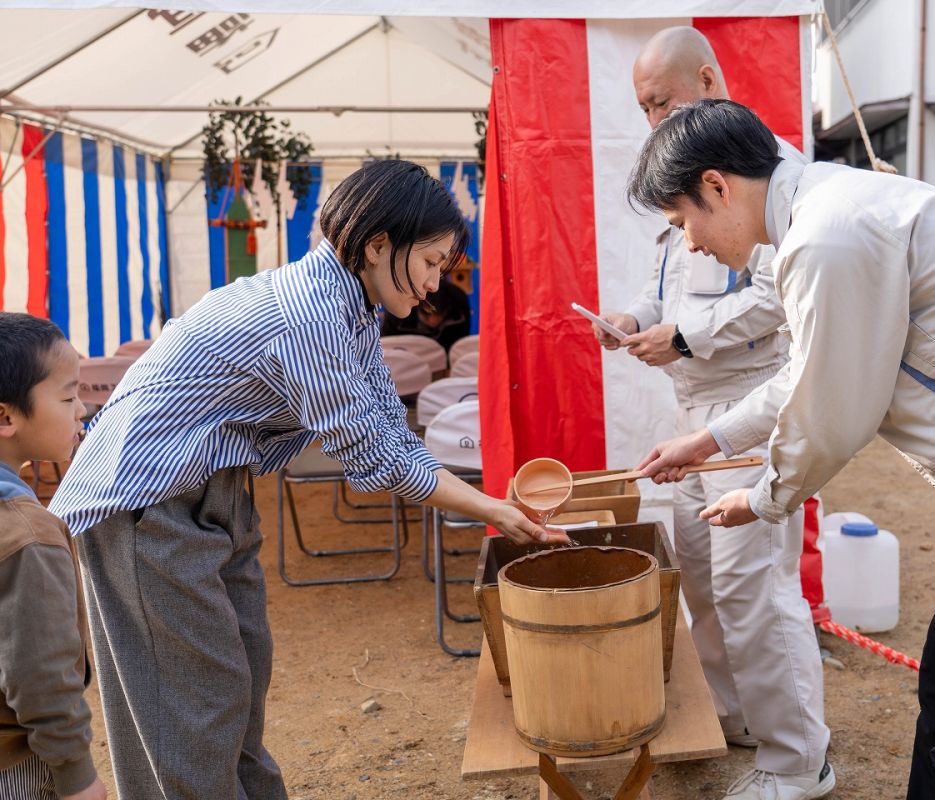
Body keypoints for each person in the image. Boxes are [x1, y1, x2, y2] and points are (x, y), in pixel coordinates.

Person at [630, 100, 935, 800]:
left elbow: (833, 410)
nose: (691, 245)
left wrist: (766, 496)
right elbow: (808, 374)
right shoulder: (825, 211)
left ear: (717, 185)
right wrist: (709, 439)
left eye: (684, 222)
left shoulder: (825, 237)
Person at [48, 161, 567, 800]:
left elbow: (387, 427)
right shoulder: (311, 313)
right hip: (143, 498)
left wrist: (491, 501)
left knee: (239, 677)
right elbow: (375, 456)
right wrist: (495, 507)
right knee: (191, 704)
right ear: (378, 245)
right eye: (431, 261)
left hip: (214, 487)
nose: (436, 284)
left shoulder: (352, 308)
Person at [592, 27, 832, 800]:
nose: (653, 119)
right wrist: (633, 320)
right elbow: (663, 279)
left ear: (706, 77)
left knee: (753, 586)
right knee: (700, 575)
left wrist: (689, 335)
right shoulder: (686, 172)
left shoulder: (770, 173)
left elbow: (776, 295)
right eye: (643, 108)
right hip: (695, 408)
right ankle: (735, 716)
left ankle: (800, 758)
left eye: (661, 101)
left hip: (750, 406)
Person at [0, 313, 105, 800]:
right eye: (67, 396)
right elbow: (41, 674)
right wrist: (76, 776)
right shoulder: (28, 534)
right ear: (6, 417)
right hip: (14, 766)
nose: (81, 409)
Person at [380, 274, 472, 352]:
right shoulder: (398, 307)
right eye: (426, 315)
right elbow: (387, 348)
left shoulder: (459, 305)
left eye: (440, 315)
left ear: (448, 311)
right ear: (416, 306)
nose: (433, 322)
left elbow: (458, 349)